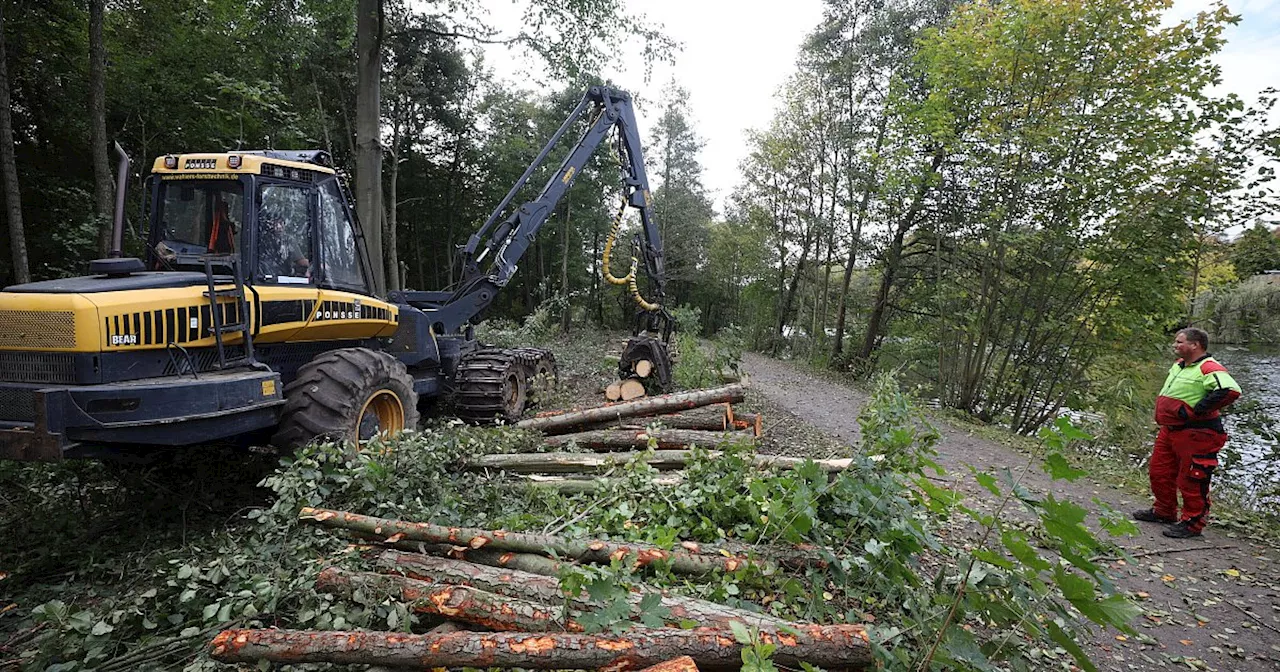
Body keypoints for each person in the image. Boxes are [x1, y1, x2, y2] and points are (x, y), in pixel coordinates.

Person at [1133, 327, 1241, 538]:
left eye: (1179, 342)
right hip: (1171, 430)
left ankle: (1192, 523)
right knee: (1159, 471)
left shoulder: (1209, 367)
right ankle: (1164, 511)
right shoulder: (1179, 366)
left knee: (1193, 477)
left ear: (1195, 345)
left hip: (1197, 433)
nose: (1175, 345)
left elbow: (1230, 390)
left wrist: (1198, 410)